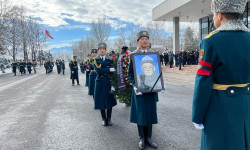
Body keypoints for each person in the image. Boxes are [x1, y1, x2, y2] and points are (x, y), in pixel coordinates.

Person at [192, 0, 249, 150]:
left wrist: (197, 116)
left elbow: (203, 81)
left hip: (220, 107)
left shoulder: (211, 41)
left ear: (220, 15)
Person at [128, 31, 159, 149]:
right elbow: (130, 74)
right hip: (139, 90)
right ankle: (141, 137)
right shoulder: (133, 55)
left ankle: (149, 137)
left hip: (151, 89)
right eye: (142, 39)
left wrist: (159, 84)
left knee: (150, 112)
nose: (145, 41)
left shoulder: (153, 54)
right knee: (141, 113)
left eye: (146, 38)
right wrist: (134, 85)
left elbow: (157, 72)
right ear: (138, 41)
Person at [93, 43, 117, 126]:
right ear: (98, 50)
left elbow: (113, 70)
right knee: (101, 100)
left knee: (109, 99)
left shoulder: (110, 59)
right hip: (99, 81)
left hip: (108, 81)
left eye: (103, 49)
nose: (102, 50)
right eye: (100, 49)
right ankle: (103, 118)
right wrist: (108, 69)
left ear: (106, 50)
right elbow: (98, 71)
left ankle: (109, 118)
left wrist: (108, 70)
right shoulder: (95, 59)